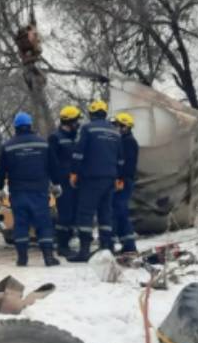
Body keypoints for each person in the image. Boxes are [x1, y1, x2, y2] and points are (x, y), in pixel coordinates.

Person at [0, 112, 60, 267]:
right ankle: (48, 258)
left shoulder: (8, 146)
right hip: (39, 191)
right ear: (30, 126)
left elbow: (0, 170)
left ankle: (22, 258)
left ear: (16, 127)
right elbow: (53, 166)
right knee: (43, 224)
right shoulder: (43, 144)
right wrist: (56, 184)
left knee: (21, 225)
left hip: (18, 193)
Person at [68, 99, 120, 262]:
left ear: (91, 113)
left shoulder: (87, 129)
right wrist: (118, 177)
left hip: (91, 178)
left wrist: (74, 172)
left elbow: (78, 153)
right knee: (106, 213)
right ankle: (107, 247)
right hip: (110, 179)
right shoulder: (115, 132)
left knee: (86, 214)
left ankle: (84, 250)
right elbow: (120, 159)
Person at [48, 105, 82, 257]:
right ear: (69, 122)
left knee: (74, 214)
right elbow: (51, 162)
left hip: (75, 182)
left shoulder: (74, 138)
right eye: (76, 121)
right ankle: (61, 246)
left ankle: (68, 242)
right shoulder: (55, 138)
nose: (78, 124)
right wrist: (55, 183)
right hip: (62, 183)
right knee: (65, 215)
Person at [113, 112, 139, 256]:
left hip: (124, 181)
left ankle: (129, 245)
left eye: (121, 125)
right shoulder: (122, 140)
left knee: (120, 211)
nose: (118, 128)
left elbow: (128, 164)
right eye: (117, 125)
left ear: (127, 127)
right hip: (121, 180)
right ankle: (127, 244)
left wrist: (121, 178)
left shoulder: (128, 141)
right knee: (118, 211)